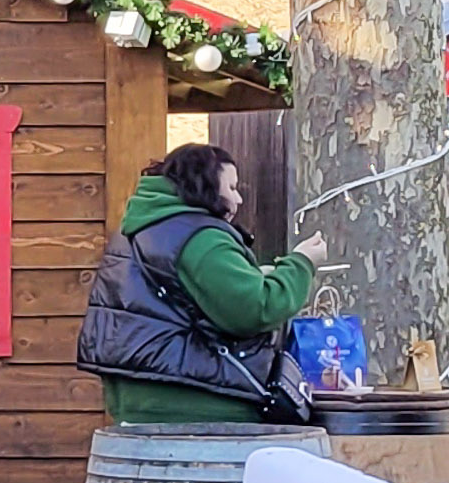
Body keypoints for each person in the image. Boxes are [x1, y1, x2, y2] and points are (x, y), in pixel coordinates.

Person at [78, 143, 326, 423]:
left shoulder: (140, 228)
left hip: (140, 395)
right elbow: (256, 309)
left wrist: (256, 274)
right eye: (231, 187)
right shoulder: (203, 238)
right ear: (205, 185)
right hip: (198, 401)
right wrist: (302, 262)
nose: (240, 199)